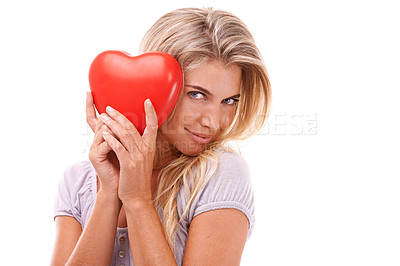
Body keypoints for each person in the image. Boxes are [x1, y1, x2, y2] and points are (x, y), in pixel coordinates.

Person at [50, 7, 271, 266]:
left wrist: (138, 199)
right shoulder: (77, 181)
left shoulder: (219, 174)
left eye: (229, 101)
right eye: (197, 94)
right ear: (151, 83)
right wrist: (109, 192)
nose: (213, 121)